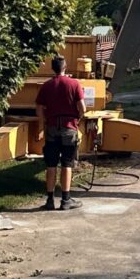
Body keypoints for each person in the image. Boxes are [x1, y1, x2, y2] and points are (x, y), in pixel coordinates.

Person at [36, 53, 87, 210]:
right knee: (67, 164)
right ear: (65, 67)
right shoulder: (74, 84)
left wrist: (44, 122)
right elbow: (82, 108)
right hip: (69, 127)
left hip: (52, 127)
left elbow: (39, 109)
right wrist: (77, 119)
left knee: (51, 164)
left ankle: (50, 200)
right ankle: (66, 200)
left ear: (53, 68)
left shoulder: (46, 86)